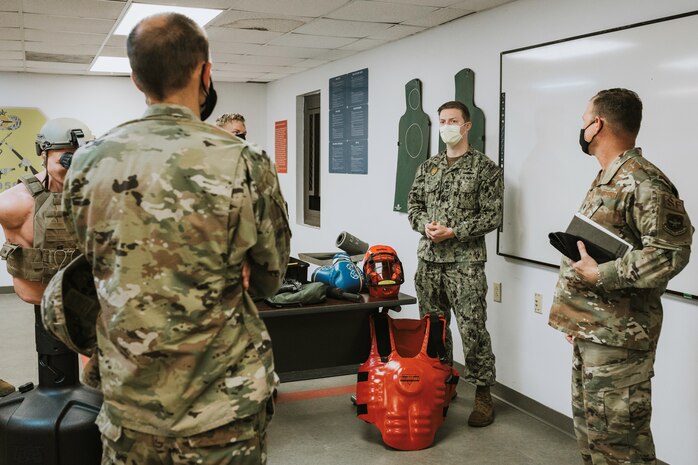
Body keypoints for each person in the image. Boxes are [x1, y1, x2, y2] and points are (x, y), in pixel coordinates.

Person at [62, 13, 291, 465]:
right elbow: (269, 278)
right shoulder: (245, 162)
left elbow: (91, 259)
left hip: (129, 406)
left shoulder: (87, 163)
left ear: (135, 78)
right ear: (205, 72)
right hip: (220, 409)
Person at [549, 88, 692, 465]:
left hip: (621, 340)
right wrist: (576, 315)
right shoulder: (607, 178)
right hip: (595, 331)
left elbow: (670, 253)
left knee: (622, 446)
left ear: (598, 125)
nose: (581, 127)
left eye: (584, 120)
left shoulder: (644, 182)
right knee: (594, 436)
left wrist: (602, 273)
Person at [407, 100, 503, 427]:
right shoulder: (427, 167)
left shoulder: (485, 169)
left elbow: (493, 215)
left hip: (466, 263)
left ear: (467, 126)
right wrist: (425, 226)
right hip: (430, 262)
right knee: (434, 329)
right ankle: (442, 384)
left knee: (472, 328)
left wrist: (455, 231)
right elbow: (414, 208)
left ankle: (483, 394)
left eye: (453, 120)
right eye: (443, 121)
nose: (447, 126)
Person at [0, 117, 94, 396]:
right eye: (66, 158)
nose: (74, 166)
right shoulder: (14, 203)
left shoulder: (94, 197)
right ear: (43, 153)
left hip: (84, 302)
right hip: (36, 294)